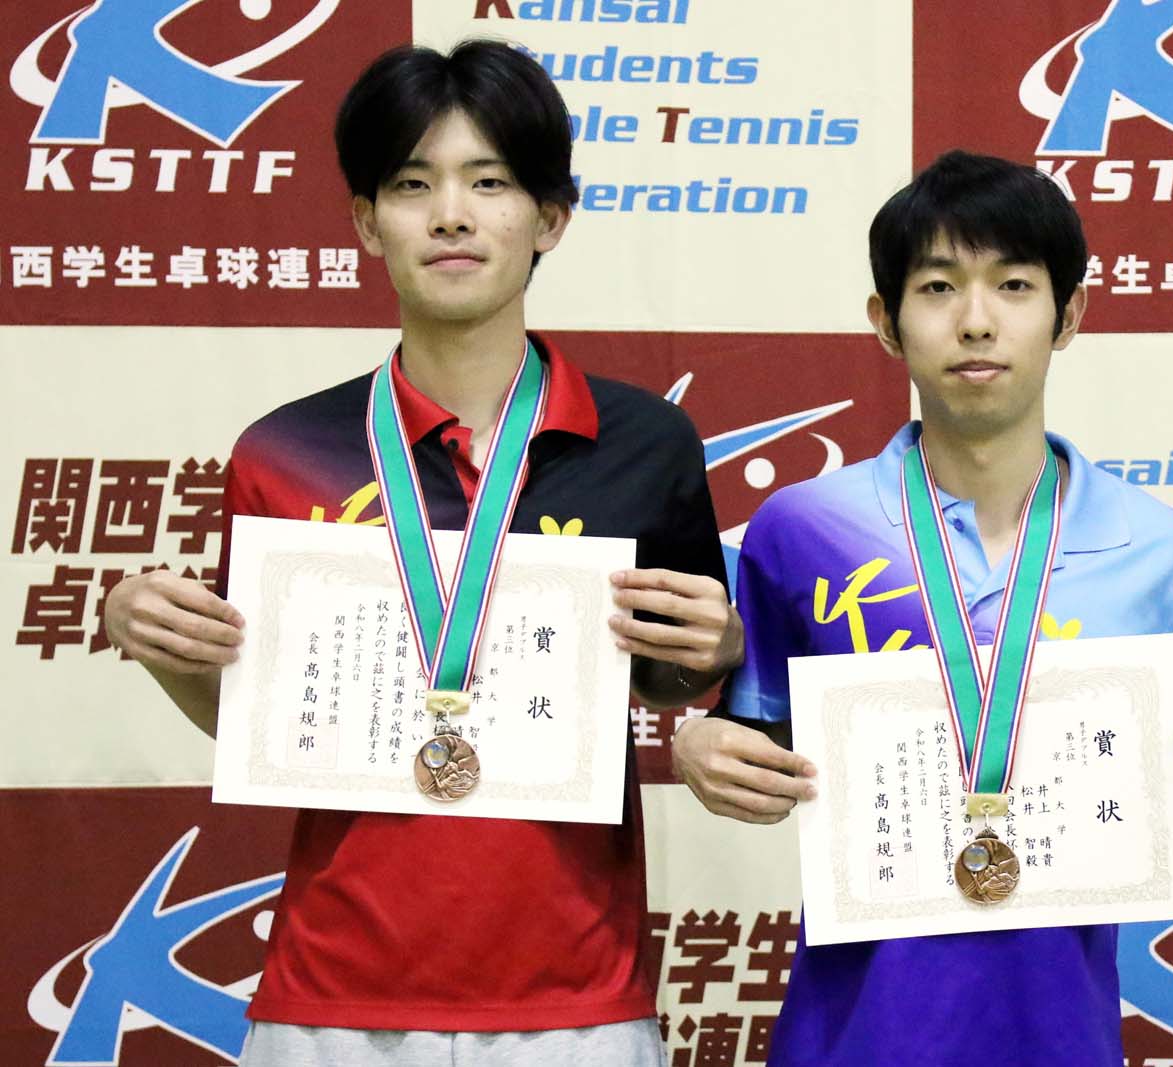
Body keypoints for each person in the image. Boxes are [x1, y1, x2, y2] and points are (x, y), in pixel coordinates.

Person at [103, 40, 742, 1067]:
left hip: (577, 1000)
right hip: (330, 1000)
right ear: (367, 221)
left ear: (551, 216)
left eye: (489, 182)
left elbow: (671, 679)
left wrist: (715, 647)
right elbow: (250, 715)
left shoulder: (642, 444)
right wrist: (161, 638)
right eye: (412, 184)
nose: (450, 214)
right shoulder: (284, 450)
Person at [672, 149, 1173, 1065]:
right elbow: (759, 743)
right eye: (937, 287)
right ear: (886, 323)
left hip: (1060, 1033)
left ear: (1069, 315)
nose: (975, 320)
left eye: (1013, 285)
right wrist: (704, 745)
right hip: (850, 1036)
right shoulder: (803, 527)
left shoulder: (1153, 545)